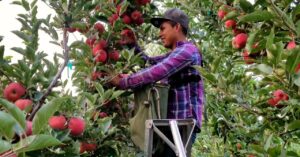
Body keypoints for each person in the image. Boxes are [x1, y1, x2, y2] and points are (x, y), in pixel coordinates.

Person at [111, 8, 205, 156]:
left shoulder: (189, 50)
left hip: (182, 124)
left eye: (163, 29)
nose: (160, 34)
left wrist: (124, 82)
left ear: (177, 27)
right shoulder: (175, 54)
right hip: (170, 124)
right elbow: (149, 63)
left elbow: (158, 71)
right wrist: (132, 46)